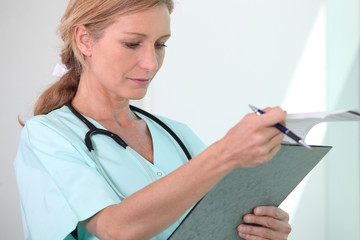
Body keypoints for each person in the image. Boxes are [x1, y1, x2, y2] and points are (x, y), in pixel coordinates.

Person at [14, 0, 292, 239]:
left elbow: (214, 222)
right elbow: (115, 230)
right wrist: (225, 153)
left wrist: (255, 228)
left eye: (160, 45)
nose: (151, 63)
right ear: (84, 40)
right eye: (132, 44)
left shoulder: (176, 134)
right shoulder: (48, 136)